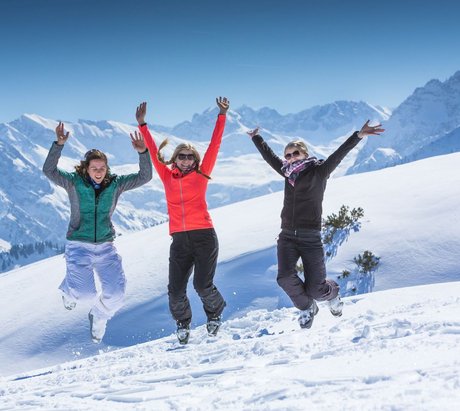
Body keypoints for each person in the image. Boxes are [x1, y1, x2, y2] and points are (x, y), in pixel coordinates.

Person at [248, 120, 384, 329]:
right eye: (288, 155)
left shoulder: (319, 171)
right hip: (287, 236)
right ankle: (307, 308)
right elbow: (270, 158)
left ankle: (333, 293)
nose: (291, 158)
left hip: (310, 237)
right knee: (284, 278)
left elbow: (339, 154)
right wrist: (256, 138)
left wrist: (358, 135)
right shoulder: (287, 173)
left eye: (295, 153)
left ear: (304, 153)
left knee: (316, 290)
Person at [42, 122, 153, 343]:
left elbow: (144, 177)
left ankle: (98, 316)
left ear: (107, 168)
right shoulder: (74, 182)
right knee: (86, 294)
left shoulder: (116, 184)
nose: (99, 172)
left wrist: (143, 152)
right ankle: (68, 288)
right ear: (86, 168)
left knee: (117, 295)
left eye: (102, 168)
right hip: (78, 246)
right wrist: (58, 145)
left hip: (105, 247)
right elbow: (49, 170)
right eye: (94, 168)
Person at [136, 97, 229, 344]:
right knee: (175, 291)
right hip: (179, 240)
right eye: (182, 156)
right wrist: (143, 125)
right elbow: (155, 155)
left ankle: (215, 313)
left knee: (202, 285)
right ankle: (183, 324)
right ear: (175, 159)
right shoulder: (167, 177)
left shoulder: (201, 175)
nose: (187, 160)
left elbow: (214, 145)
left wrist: (221, 116)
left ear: (196, 160)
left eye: (190, 157)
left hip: (204, 237)